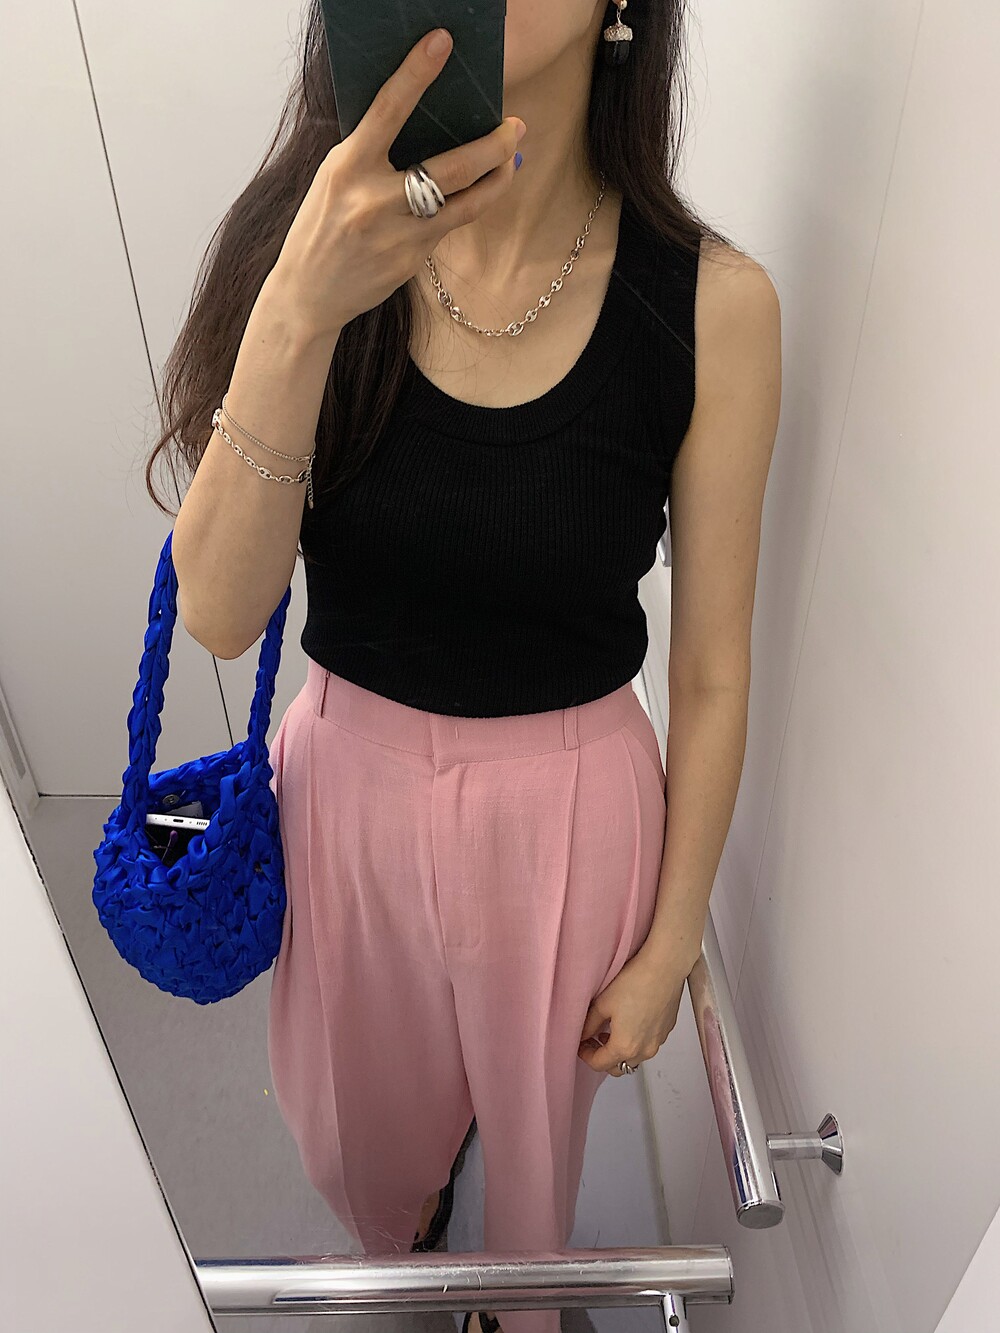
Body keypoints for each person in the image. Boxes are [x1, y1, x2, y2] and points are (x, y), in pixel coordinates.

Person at [162, 4, 781, 1331]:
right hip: (348, 789)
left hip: (572, 809)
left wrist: (675, 937)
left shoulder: (711, 305)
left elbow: (715, 673)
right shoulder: (322, 245)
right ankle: (413, 1246)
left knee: (538, 1157)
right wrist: (301, 306)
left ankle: (513, 1301)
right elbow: (217, 610)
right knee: (356, 1141)